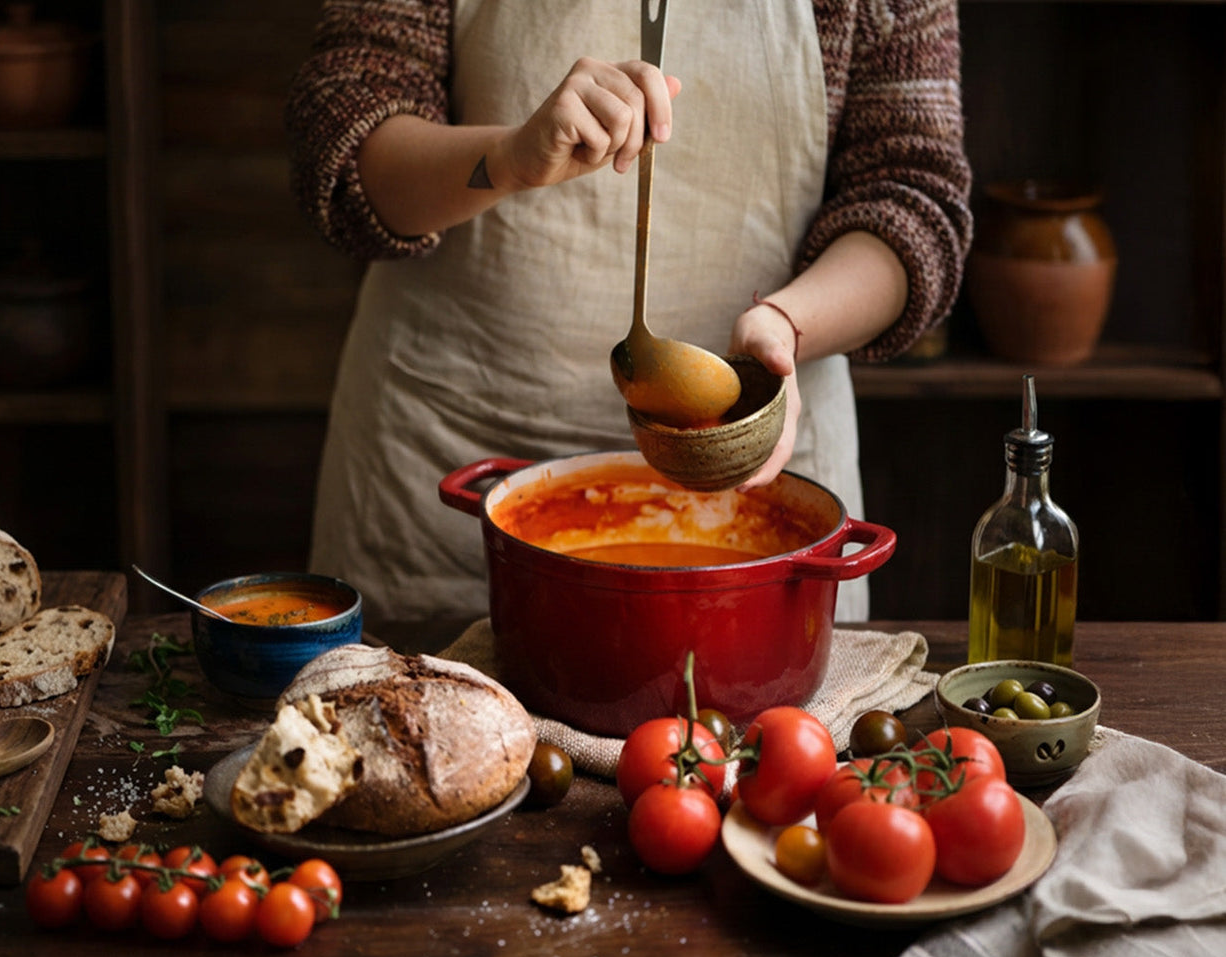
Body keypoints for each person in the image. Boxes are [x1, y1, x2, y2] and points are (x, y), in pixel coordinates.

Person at [286, 0, 972, 646]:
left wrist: (787, 326)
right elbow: (345, 157)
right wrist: (510, 159)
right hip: (445, 461)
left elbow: (913, 199)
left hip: (758, 473)